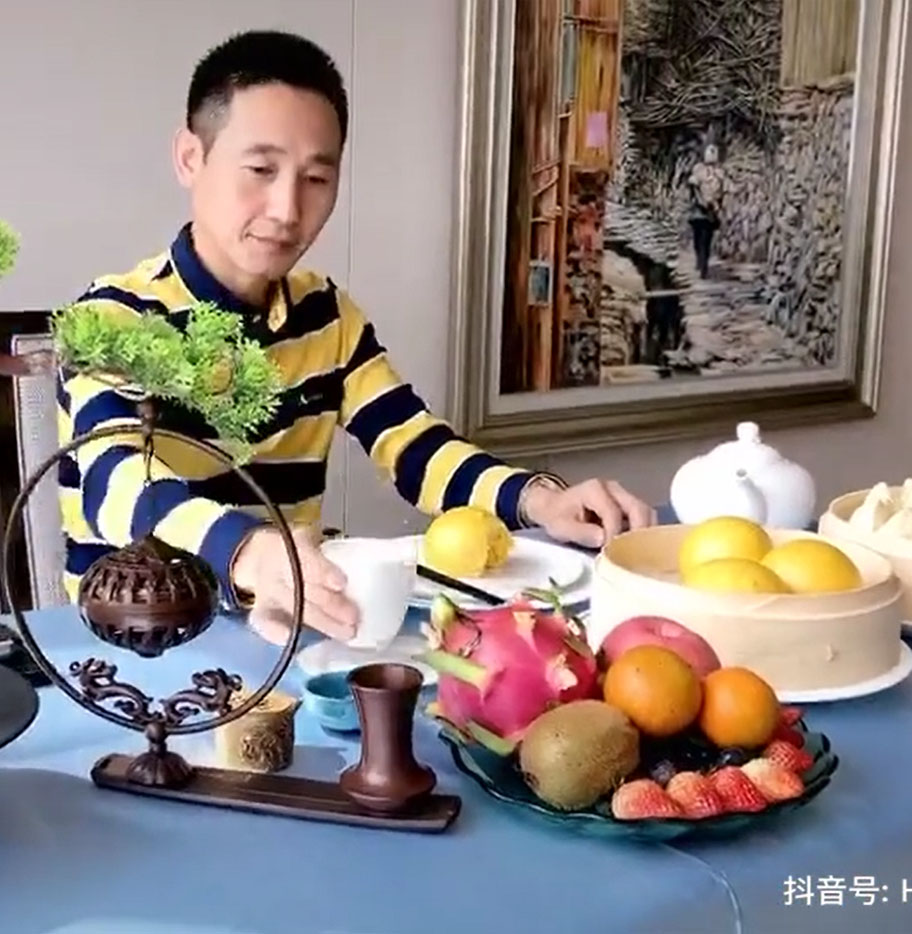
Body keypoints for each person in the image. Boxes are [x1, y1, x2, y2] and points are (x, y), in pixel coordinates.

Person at [56, 30, 655, 646]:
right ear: (190, 157)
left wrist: (539, 499)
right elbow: (111, 482)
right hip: (131, 646)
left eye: (317, 178)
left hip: (289, 633)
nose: (288, 209)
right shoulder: (111, 318)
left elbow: (416, 448)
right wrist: (246, 552)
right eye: (260, 170)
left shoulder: (327, 315)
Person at [688, 142, 724, 279]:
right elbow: (693, 186)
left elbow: (720, 191)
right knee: (700, 239)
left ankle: (703, 265)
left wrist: (716, 205)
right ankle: (701, 260)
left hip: (708, 211)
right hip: (701, 210)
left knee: (705, 240)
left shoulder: (719, 172)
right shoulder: (699, 169)